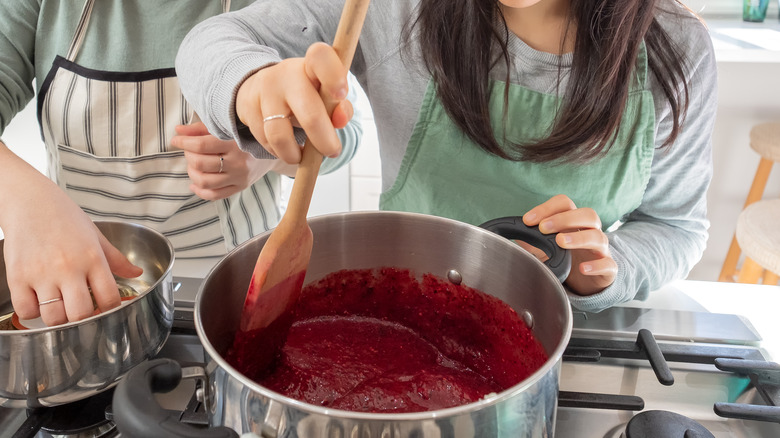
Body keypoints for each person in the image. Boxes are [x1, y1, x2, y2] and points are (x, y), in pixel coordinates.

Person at [175, 0, 716, 313]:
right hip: (399, 308)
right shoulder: (396, 8)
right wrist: (252, 84)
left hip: (564, 335)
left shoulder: (677, 44)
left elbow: (675, 227)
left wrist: (607, 270)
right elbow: (217, 38)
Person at [0, 0, 361, 326]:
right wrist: (23, 200)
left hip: (232, 291)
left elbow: (345, 135)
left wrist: (265, 150)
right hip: (78, 290)